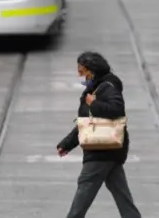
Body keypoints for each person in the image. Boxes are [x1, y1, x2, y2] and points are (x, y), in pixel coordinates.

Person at [57, 51, 141, 218]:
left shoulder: (107, 86)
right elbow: (86, 123)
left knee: (84, 189)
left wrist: (93, 103)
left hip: (101, 149)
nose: (78, 74)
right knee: (122, 195)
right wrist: (67, 144)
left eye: (81, 70)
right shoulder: (95, 87)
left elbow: (117, 110)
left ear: (91, 70)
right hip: (109, 149)